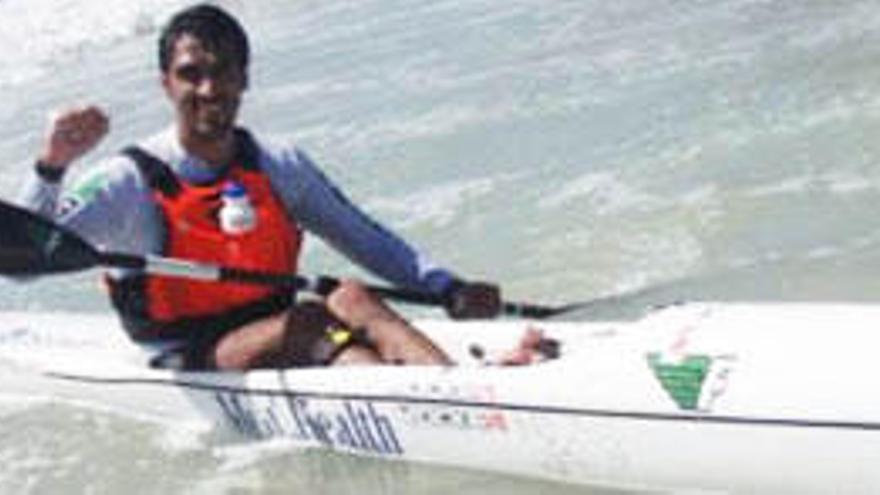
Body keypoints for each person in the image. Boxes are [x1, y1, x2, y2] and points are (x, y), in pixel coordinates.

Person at [18, 4, 505, 370]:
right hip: (189, 355)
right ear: (166, 84)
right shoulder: (127, 181)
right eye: (191, 75)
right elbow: (19, 265)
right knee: (313, 321)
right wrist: (52, 166)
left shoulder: (278, 164)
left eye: (223, 70)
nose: (209, 89)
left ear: (244, 77)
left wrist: (447, 287)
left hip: (277, 330)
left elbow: (365, 237)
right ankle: (423, 404)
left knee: (353, 297)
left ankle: (453, 390)